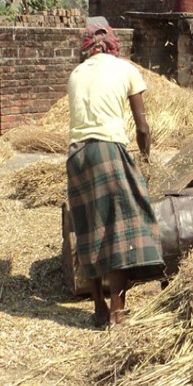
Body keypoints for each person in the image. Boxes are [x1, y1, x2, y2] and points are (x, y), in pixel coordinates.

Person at [66, 23, 164, 326]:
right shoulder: (125, 69)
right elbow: (143, 127)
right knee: (121, 228)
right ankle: (117, 310)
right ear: (112, 44)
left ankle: (98, 307)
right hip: (108, 151)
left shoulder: (76, 74)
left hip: (77, 156)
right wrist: (146, 159)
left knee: (90, 229)